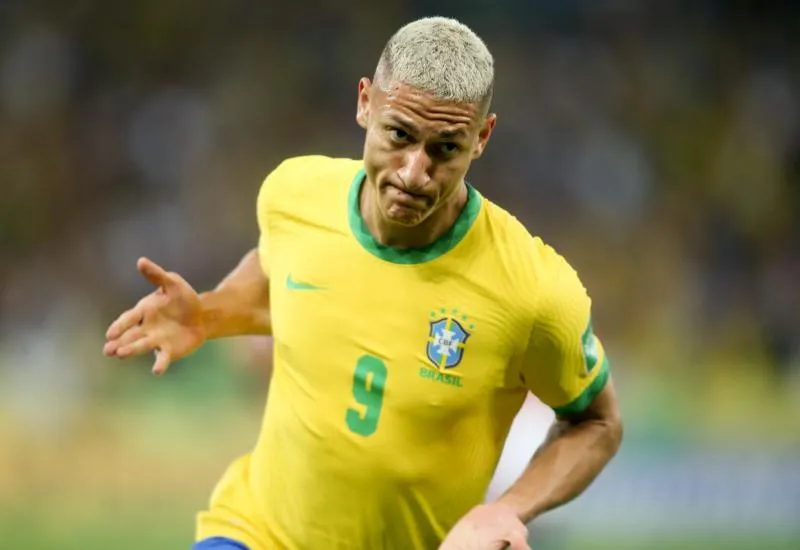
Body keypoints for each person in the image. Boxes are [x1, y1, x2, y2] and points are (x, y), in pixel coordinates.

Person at [103, 16, 622, 550]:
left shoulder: (531, 291)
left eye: (445, 149)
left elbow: (598, 424)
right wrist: (207, 315)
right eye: (399, 135)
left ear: (482, 137)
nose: (414, 172)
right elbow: (277, 274)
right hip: (258, 533)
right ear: (365, 104)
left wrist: (506, 510)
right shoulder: (294, 195)